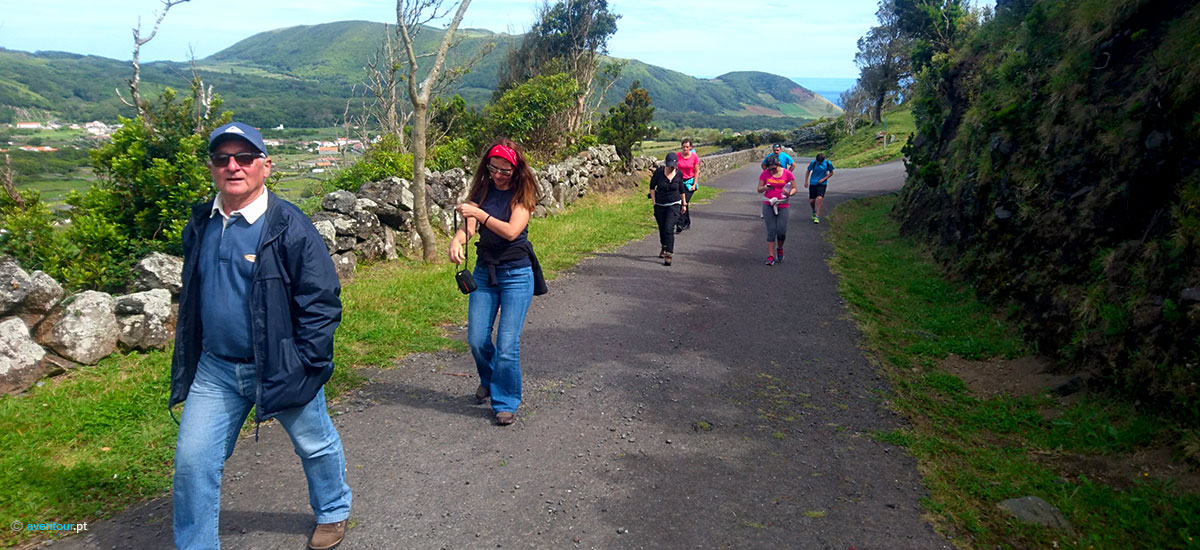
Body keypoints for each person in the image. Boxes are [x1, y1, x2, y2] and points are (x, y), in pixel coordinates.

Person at [170, 122, 351, 550]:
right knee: (192, 464)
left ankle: (333, 510)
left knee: (314, 443)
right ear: (212, 168)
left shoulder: (289, 225)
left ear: (265, 166)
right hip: (215, 369)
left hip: (280, 363)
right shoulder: (202, 223)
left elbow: (321, 300)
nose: (233, 166)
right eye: (222, 159)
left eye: (245, 158)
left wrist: (306, 362)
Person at [449, 139, 547, 426]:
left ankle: (505, 401)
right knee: (477, 339)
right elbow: (470, 228)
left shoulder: (523, 193)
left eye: (505, 171)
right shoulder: (482, 188)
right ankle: (490, 380)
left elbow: (511, 231)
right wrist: (458, 239)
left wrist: (480, 214)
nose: (498, 175)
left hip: (517, 274)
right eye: (494, 169)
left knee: (507, 344)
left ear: (516, 170)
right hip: (484, 271)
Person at [649, 152, 688, 266]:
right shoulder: (659, 172)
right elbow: (652, 187)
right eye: (669, 165)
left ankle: (669, 254)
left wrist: (684, 204)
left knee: (669, 228)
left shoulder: (679, 174)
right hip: (660, 205)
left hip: (674, 204)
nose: (671, 167)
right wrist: (654, 202)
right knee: (662, 228)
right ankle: (664, 246)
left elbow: (681, 190)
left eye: (673, 165)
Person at [758, 155, 797, 266]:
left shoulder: (787, 173)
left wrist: (790, 193)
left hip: (782, 204)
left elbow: (794, 188)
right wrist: (766, 187)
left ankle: (780, 248)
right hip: (768, 204)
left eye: (774, 169)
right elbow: (759, 189)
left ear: (778, 165)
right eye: (770, 169)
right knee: (771, 231)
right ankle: (770, 256)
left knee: (781, 231)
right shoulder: (765, 174)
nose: (772, 171)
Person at [674, 138, 701, 232]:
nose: (685, 149)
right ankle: (687, 221)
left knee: (683, 202)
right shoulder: (677, 156)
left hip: (689, 182)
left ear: (690, 147)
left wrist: (694, 184)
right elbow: (674, 169)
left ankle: (679, 224)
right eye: (683, 146)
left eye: (687, 147)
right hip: (679, 181)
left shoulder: (694, 157)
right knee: (682, 202)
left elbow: (696, 171)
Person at [804, 153, 835, 224]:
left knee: (820, 198)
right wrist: (806, 181)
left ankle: (817, 216)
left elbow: (831, 172)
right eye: (818, 161)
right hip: (813, 182)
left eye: (820, 162)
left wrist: (824, 179)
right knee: (812, 201)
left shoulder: (827, 163)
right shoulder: (813, 163)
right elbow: (808, 171)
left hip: (822, 184)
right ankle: (814, 211)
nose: (819, 163)